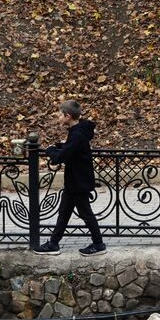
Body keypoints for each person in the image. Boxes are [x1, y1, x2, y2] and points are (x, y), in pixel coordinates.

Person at [34, 100, 106, 255]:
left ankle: (99, 245)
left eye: (60, 115)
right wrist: (60, 146)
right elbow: (71, 149)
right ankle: (53, 244)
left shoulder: (77, 135)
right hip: (75, 181)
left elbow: (61, 157)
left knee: (86, 214)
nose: (59, 118)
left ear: (68, 116)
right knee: (64, 212)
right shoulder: (77, 132)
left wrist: (50, 150)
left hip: (79, 182)